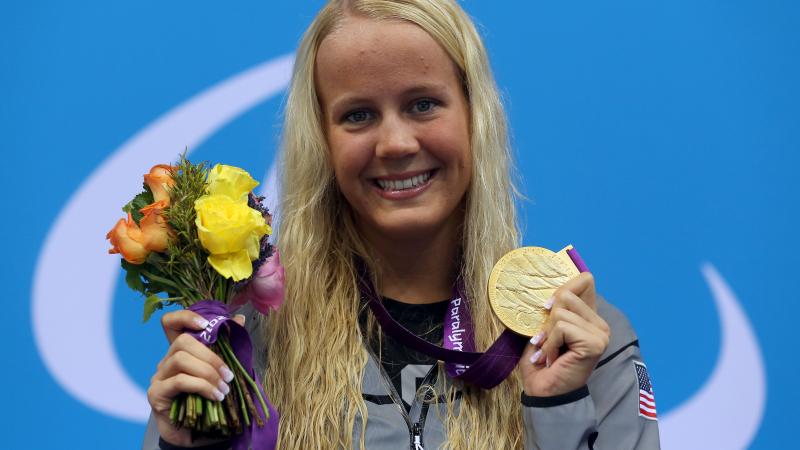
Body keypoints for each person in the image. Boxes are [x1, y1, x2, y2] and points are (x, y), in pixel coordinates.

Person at [144, 1, 661, 448]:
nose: (395, 143)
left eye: (423, 104)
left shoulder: (581, 341)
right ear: (321, 140)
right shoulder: (246, 340)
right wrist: (185, 448)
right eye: (358, 116)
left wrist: (558, 409)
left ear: (475, 115)